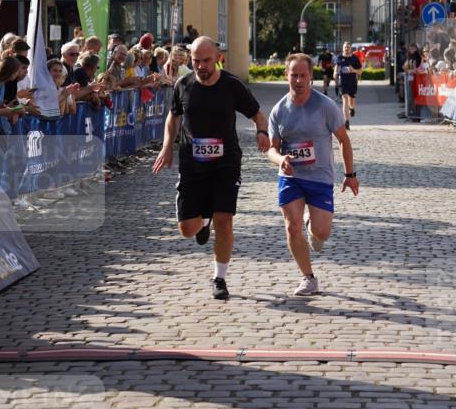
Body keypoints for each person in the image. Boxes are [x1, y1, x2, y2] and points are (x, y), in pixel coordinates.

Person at [152, 36, 270, 300]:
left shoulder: (232, 85)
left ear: (217, 58)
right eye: (196, 61)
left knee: (225, 220)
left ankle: (219, 278)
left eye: (206, 61)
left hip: (226, 162)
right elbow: (173, 116)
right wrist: (166, 146)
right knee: (187, 230)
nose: (201, 66)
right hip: (192, 164)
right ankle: (203, 220)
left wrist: (262, 132)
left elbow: (257, 115)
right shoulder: (184, 84)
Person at [267, 52, 359, 296]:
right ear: (286, 76)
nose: (298, 80)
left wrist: (350, 174)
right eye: (293, 75)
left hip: (319, 177)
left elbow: (343, 140)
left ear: (311, 77)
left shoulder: (325, 106)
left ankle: (313, 224)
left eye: (303, 75)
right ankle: (308, 277)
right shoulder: (279, 110)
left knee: (321, 233)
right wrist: (280, 159)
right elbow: (272, 148)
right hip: (291, 177)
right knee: (291, 227)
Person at [334, 41, 363, 129]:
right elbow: (336, 68)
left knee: (351, 100)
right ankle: (346, 121)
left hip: (352, 82)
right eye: (345, 47)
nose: (346, 49)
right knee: (345, 99)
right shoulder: (339, 57)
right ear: (343, 48)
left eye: (348, 47)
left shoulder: (354, 58)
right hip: (343, 82)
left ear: (351, 49)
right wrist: (335, 75)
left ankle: (352, 108)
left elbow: (360, 71)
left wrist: (353, 70)